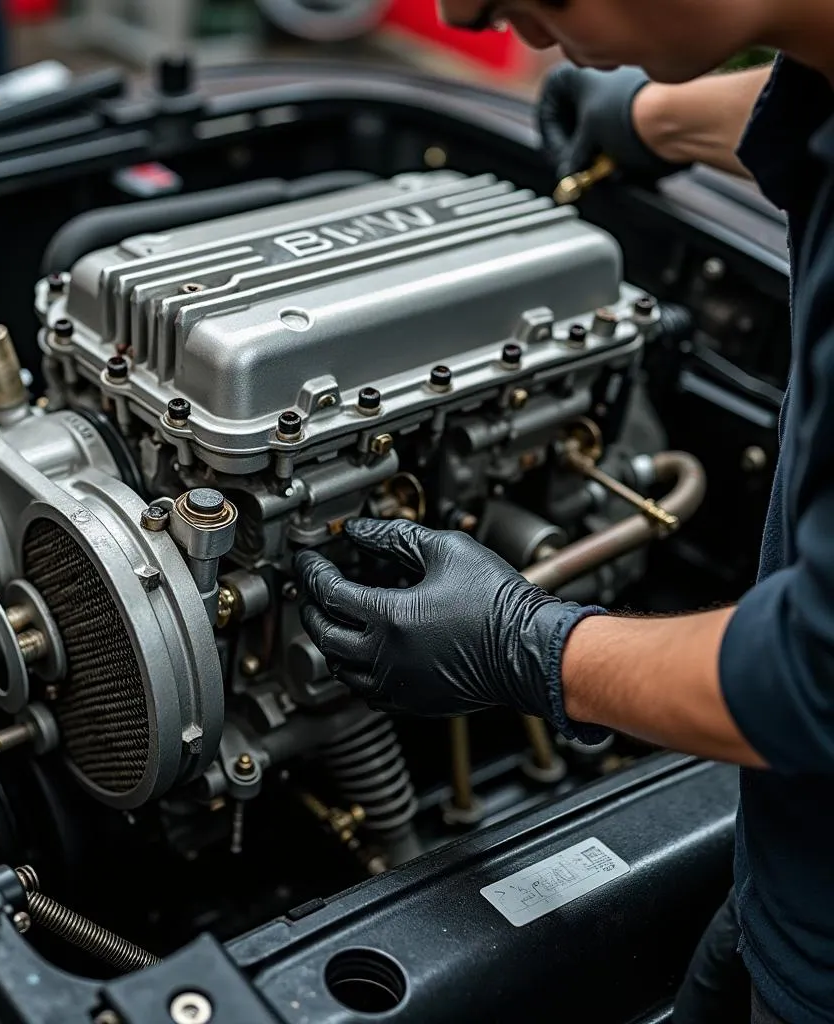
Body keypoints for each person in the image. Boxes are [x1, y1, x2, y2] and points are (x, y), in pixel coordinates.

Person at [293, 3, 834, 1022]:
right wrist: (657, 117)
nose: (461, 10)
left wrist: (530, 649)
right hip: (790, 865)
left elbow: (819, 676)